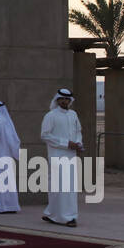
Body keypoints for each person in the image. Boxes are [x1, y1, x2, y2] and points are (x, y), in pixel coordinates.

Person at [41, 88, 83, 227]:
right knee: (56, 186)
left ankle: (69, 216)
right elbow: (45, 135)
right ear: (57, 100)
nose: (65, 101)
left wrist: (78, 144)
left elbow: (78, 132)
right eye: (62, 99)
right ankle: (55, 214)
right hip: (57, 155)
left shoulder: (73, 114)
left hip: (71, 155)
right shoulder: (51, 115)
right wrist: (66, 143)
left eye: (67, 99)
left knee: (69, 187)